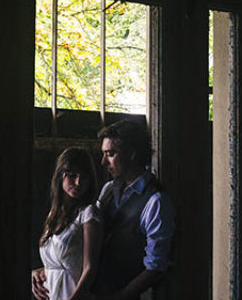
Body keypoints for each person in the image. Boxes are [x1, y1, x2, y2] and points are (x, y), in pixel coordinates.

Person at [91, 120, 174, 300]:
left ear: (131, 154)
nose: (103, 162)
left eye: (110, 154)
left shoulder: (156, 201)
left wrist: (120, 297)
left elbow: (155, 266)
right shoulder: (108, 190)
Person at [31, 147, 103, 300]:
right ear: (60, 176)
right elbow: (59, 261)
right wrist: (38, 273)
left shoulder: (89, 213)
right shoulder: (54, 214)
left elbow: (89, 268)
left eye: (84, 177)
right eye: (72, 175)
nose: (78, 182)